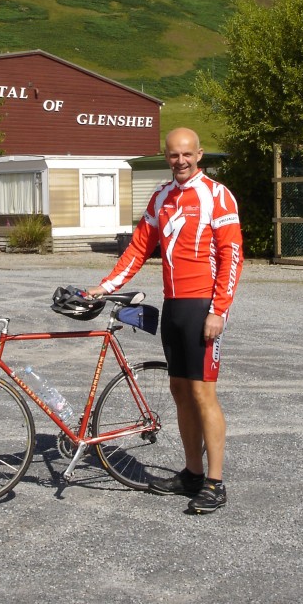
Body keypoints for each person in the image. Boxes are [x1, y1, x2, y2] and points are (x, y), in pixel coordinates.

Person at [87, 127, 243, 515]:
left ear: (200, 154)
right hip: (173, 306)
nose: (181, 161)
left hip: (202, 306)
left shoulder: (217, 195)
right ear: (166, 156)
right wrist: (104, 287)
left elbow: (232, 255)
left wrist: (219, 310)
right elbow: (139, 247)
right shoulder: (162, 198)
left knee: (203, 393)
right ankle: (191, 473)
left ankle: (215, 482)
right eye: (173, 155)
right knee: (178, 390)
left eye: (187, 154)